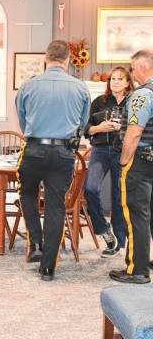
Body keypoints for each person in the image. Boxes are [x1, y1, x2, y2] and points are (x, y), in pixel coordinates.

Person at [15, 40, 91, 281]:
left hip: (34, 149)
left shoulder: (28, 85)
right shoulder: (80, 88)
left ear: (46, 59)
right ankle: (48, 267)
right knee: (55, 205)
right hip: (63, 153)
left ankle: (35, 243)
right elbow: (83, 122)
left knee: (27, 193)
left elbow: (22, 120)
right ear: (67, 60)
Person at [110, 49, 153, 284]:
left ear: (142, 68)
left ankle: (137, 270)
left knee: (136, 215)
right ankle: (143, 261)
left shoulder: (141, 95)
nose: (132, 72)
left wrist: (125, 161)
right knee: (149, 215)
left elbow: (134, 133)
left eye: (133, 67)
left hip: (141, 162)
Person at [84, 66, 133, 257]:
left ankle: (119, 241)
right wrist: (100, 127)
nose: (116, 82)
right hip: (101, 150)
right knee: (91, 188)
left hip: (124, 151)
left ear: (128, 82)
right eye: (113, 79)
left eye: (120, 79)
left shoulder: (133, 102)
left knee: (119, 196)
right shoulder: (99, 102)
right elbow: (86, 128)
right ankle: (105, 231)